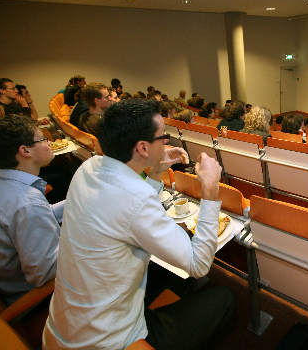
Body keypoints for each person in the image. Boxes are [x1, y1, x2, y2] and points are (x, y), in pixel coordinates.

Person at [43, 99, 235, 349]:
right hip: (105, 339)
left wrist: (154, 173)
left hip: (68, 323)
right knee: (224, 298)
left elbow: (125, 210)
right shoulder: (136, 198)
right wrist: (210, 190)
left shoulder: (89, 168)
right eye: (162, 137)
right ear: (143, 147)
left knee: (170, 275)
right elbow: (198, 264)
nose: (166, 142)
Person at [0, 115, 63, 304]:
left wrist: (79, 202)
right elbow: (45, 274)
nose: (49, 142)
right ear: (25, 150)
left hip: (8, 284)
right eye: (43, 138)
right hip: (38, 298)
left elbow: (35, 217)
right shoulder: (26, 204)